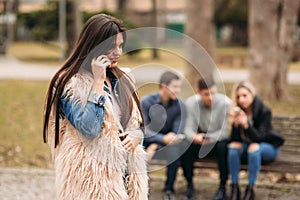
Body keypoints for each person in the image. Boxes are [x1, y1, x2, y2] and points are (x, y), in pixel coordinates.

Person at [42, 14, 148, 199]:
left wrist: (136, 136)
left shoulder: (123, 78)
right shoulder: (70, 84)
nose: (118, 53)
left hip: (126, 175)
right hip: (91, 181)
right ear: (94, 45)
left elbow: (134, 124)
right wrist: (98, 83)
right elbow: (89, 128)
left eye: (120, 45)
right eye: (111, 46)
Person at [228, 81, 284, 200]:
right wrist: (236, 125)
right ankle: (234, 187)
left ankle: (250, 188)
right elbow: (235, 139)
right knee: (233, 147)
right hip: (248, 148)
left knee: (254, 147)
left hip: (268, 147)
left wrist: (246, 125)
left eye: (244, 95)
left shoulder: (264, 111)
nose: (241, 99)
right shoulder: (238, 111)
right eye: (238, 97)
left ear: (252, 95)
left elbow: (260, 137)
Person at [181, 77, 231, 200]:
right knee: (185, 145)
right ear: (198, 93)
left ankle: (222, 186)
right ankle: (189, 184)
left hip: (217, 141)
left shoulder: (225, 103)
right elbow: (187, 128)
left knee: (223, 147)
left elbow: (226, 132)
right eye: (206, 94)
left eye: (213, 93)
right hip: (200, 141)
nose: (210, 97)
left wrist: (208, 137)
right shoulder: (191, 103)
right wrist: (194, 137)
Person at [141, 71, 187, 200]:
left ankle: (169, 189)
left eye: (179, 87)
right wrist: (159, 140)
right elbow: (143, 129)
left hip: (168, 143)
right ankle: (138, 186)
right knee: (136, 146)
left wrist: (158, 143)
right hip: (148, 141)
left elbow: (177, 131)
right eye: (174, 87)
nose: (178, 90)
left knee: (174, 150)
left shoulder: (180, 105)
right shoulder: (146, 101)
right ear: (163, 87)